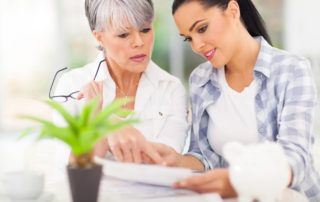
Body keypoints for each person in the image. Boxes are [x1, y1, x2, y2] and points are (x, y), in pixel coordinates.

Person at [149, 0, 320, 201]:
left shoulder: (292, 69)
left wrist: (240, 180)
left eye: (202, 29)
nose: (197, 46)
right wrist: (176, 160)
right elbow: (205, 157)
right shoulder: (200, 79)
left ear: (233, 10)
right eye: (188, 38)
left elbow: (296, 157)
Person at [52, 0, 188, 165]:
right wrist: (96, 121)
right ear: (100, 37)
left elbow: (168, 160)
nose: (139, 42)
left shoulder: (171, 88)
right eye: (123, 34)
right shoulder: (71, 86)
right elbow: (71, 167)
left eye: (145, 30)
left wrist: (111, 125)